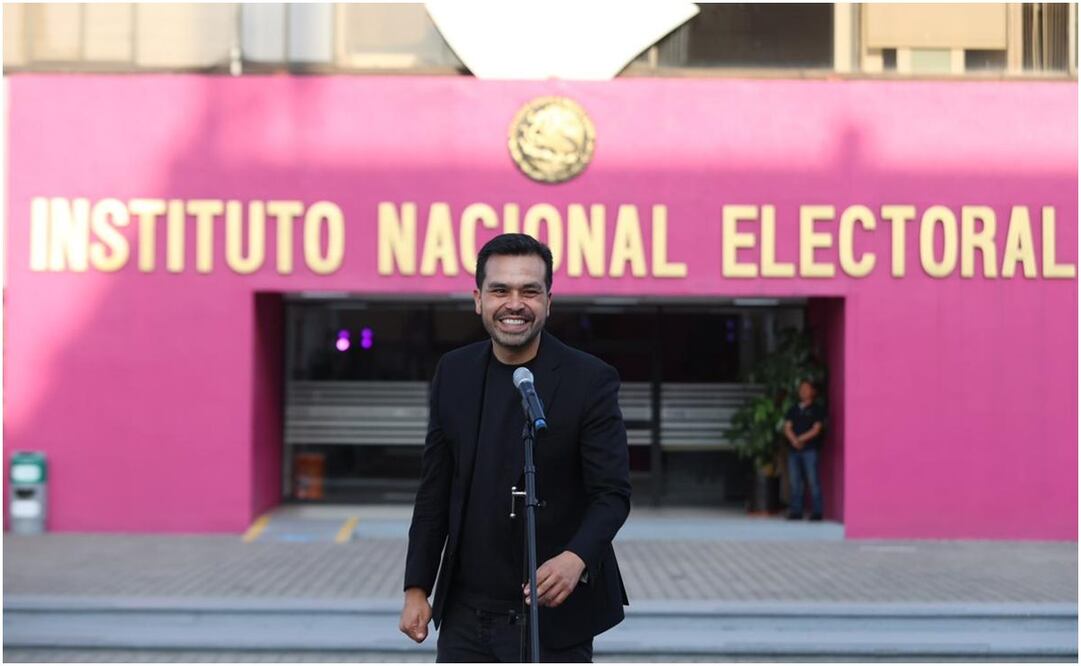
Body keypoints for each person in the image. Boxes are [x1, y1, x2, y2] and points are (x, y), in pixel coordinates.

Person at [399, 233, 631, 663]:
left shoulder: (590, 380)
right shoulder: (453, 372)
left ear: (548, 301)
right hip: (465, 616)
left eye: (530, 291)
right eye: (500, 290)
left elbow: (612, 495)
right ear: (478, 299)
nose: (514, 303)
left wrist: (575, 557)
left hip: (552, 617)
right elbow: (434, 491)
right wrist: (417, 587)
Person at [783, 379, 826, 521]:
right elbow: (787, 427)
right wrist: (794, 440)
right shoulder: (793, 409)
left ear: (813, 392)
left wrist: (800, 439)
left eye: (806, 388)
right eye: (801, 388)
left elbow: (816, 429)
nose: (803, 391)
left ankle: (817, 512)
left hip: (810, 450)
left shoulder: (817, 409)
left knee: (813, 481)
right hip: (794, 450)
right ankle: (796, 512)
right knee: (795, 482)